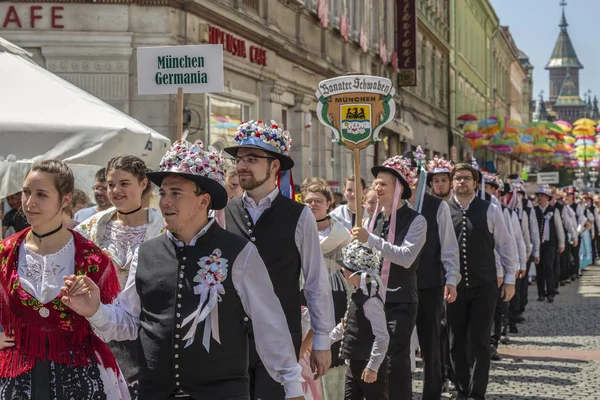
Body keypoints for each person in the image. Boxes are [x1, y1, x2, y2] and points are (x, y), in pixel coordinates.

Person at [62, 138, 305, 400]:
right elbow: (130, 323)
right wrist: (95, 310)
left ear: (203, 201)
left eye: (176, 193)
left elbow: (270, 325)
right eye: (163, 193)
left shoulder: (239, 253)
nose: (165, 201)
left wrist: (292, 387)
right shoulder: (146, 253)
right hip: (154, 392)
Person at [223, 120, 334, 400]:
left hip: (281, 338)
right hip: (232, 336)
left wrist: (322, 341)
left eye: (252, 158)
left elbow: (315, 282)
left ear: (275, 166)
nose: (242, 165)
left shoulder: (299, 215)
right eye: (240, 159)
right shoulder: (225, 212)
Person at [0, 160, 128, 399]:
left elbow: (115, 322)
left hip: (80, 375)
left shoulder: (91, 257)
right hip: (17, 374)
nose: (29, 202)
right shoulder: (5, 252)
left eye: (41, 194)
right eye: (26, 192)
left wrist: (94, 309)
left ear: (65, 200)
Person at [75, 155, 164, 399]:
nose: (115, 190)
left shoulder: (162, 227)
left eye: (124, 183)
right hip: (99, 328)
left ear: (143, 184)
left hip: (147, 330)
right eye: (111, 184)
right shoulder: (91, 227)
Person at [351, 155, 427, 400]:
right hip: (373, 299)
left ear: (399, 188)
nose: (377, 187)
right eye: (376, 182)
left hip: (400, 300)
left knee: (394, 359)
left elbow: (405, 257)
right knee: (373, 359)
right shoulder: (372, 220)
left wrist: (370, 239)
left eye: (384, 183)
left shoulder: (417, 220)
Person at [446, 163, 518, 400]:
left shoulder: (490, 209)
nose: (462, 182)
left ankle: (477, 394)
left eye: (466, 178)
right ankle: (462, 389)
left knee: (479, 340)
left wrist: (509, 280)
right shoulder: (444, 210)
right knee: (456, 343)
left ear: (476, 183)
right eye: (457, 178)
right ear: (452, 182)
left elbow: (506, 246)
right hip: (454, 288)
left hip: (484, 286)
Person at [404, 152, 460, 400]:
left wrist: (451, 279)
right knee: (398, 346)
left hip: (429, 284)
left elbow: (449, 247)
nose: (410, 180)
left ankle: (432, 394)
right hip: (399, 286)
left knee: (431, 346)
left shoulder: (438, 207)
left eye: (413, 175)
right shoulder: (394, 205)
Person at [303, 182, 351, 400]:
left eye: (318, 201)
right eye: (309, 201)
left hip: (333, 289)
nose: (313, 205)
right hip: (302, 289)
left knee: (332, 345)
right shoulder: (299, 227)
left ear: (329, 203)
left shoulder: (341, 233)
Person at [330, 242, 390, 400]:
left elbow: (382, 336)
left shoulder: (371, 302)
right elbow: (347, 326)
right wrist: (325, 341)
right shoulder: (357, 295)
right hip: (353, 366)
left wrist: (373, 366)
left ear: (356, 274)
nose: (343, 271)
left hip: (367, 365)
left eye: (346, 269)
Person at [534, 185, 565, 303]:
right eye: (539, 196)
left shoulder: (554, 210)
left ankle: (550, 292)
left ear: (548, 198)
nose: (540, 198)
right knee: (539, 268)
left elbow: (559, 227)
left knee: (549, 267)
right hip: (538, 243)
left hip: (550, 243)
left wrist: (561, 243)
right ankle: (541, 293)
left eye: (543, 196)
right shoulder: (534, 210)